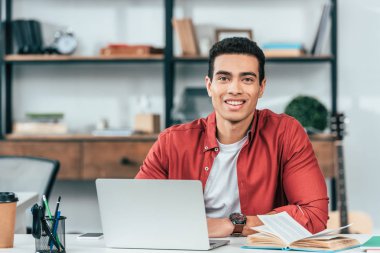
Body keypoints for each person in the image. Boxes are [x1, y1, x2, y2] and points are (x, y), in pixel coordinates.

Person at [135, 37, 328, 237]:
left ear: (261, 87)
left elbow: (314, 215)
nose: (235, 89)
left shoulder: (286, 134)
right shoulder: (171, 142)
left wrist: (234, 225)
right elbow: (137, 211)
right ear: (209, 86)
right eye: (224, 78)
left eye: (247, 79)